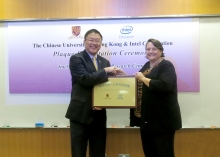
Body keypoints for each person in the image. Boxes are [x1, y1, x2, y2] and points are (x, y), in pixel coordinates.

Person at [65, 29, 125, 157]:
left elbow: (106, 87)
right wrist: (106, 70)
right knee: (78, 152)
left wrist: (122, 79)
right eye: (91, 40)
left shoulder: (104, 62)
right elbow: (85, 79)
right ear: (84, 42)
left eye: (97, 41)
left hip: (99, 115)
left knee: (98, 152)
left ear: (101, 43)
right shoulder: (76, 59)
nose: (94, 43)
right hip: (80, 114)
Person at [133, 38, 182, 157]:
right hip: (147, 120)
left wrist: (143, 78)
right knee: (149, 153)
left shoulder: (166, 65)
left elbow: (164, 85)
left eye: (154, 49)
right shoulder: (146, 65)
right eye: (148, 49)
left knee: (164, 153)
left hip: (163, 121)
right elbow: (137, 84)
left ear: (160, 51)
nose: (151, 51)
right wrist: (123, 77)